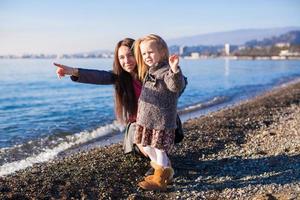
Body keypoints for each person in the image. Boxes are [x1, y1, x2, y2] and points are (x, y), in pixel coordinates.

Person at [54, 38, 148, 157]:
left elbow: (177, 86)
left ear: (138, 54)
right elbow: (100, 76)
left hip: (159, 123)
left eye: (130, 55)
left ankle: (160, 165)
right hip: (138, 126)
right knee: (140, 136)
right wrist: (73, 71)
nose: (127, 61)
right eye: (122, 57)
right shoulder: (119, 77)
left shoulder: (151, 75)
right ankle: (159, 164)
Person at [133, 34, 186, 191]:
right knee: (146, 146)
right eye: (143, 53)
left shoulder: (166, 71)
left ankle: (160, 180)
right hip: (146, 120)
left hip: (161, 122)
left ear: (162, 52)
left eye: (150, 52)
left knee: (159, 150)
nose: (146, 56)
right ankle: (163, 173)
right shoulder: (151, 71)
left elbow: (176, 86)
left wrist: (175, 68)